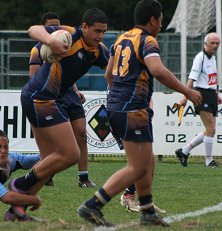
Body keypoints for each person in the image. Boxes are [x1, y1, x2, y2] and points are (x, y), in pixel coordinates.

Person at [77, 0, 201, 227]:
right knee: (138, 166)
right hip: (132, 109)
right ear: (152, 20)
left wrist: (120, 96)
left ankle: (147, 210)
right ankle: (92, 205)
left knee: (147, 161)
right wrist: (187, 91)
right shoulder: (147, 41)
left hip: (118, 106)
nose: (161, 25)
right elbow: (157, 70)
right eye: (161, 20)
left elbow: (108, 75)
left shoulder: (122, 38)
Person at [8, 8, 110, 219]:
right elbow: (33, 29)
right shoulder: (69, 35)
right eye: (96, 30)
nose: (100, 36)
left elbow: (113, 72)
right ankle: (19, 184)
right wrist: (50, 41)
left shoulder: (99, 50)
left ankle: (16, 210)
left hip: (43, 98)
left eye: (103, 31)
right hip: (39, 98)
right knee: (70, 154)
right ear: (84, 27)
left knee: (47, 162)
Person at [33, 12, 96, 187]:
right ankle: (47, 173)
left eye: (58, 24)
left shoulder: (69, 42)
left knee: (82, 133)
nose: (56, 29)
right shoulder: (37, 50)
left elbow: (69, 72)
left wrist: (75, 89)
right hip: (52, 96)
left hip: (69, 94)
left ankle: (83, 178)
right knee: (57, 140)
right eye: (51, 26)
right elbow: (34, 78)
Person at [175, 32, 221, 168]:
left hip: (211, 94)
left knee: (210, 130)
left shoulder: (212, 58)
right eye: (212, 43)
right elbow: (192, 78)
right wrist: (185, 97)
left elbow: (211, 79)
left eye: (217, 43)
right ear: (205, 44)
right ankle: (209, 161)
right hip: (201, 94)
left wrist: (216, 93)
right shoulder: (200, 58)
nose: (215, 45)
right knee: (210, 128)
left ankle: (184, 151)